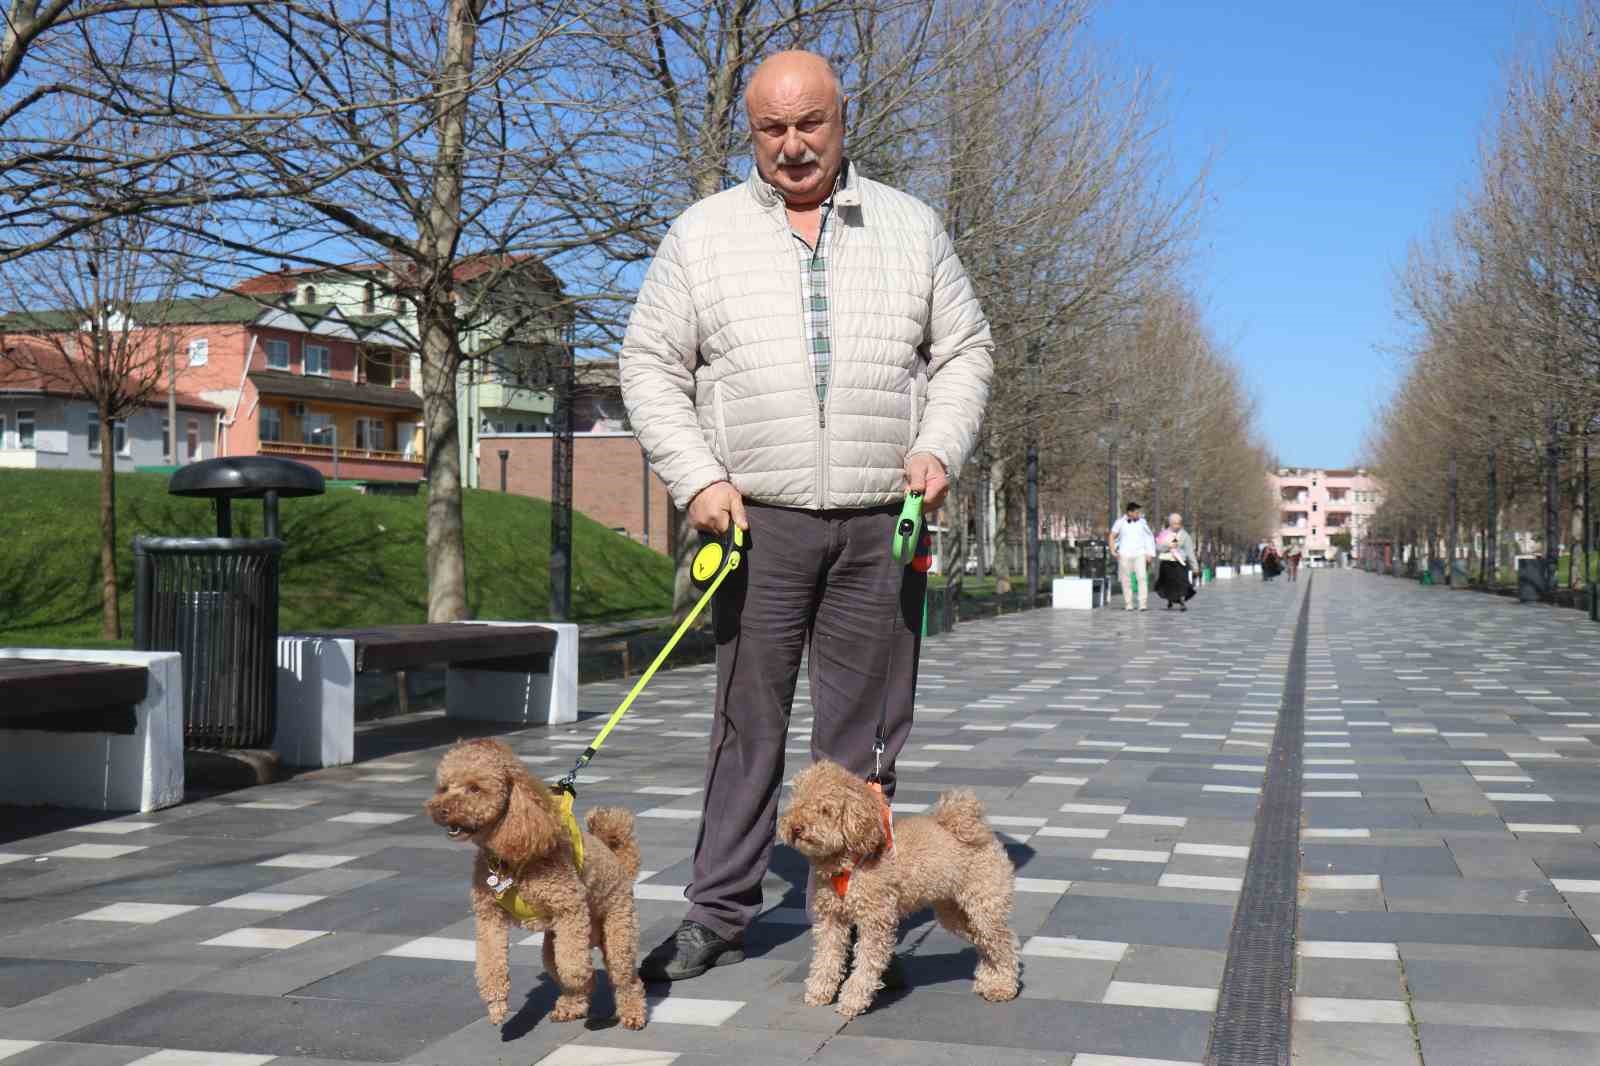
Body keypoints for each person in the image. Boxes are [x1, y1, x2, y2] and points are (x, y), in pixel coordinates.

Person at [619, 49, 994, 982]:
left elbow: (966, 352)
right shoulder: (700, 236)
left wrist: (939, 449)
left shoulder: (913, 227)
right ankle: (719, 912)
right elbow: (647, 367)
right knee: (747, 725)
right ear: (752, 132)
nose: (792, 147)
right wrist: (699, 478)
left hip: (881, 518)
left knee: (862, 735)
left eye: (809, 125)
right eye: (771, 130)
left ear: (842, 119)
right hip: (756, 521)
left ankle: (866, 911)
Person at [1110, 501, 1155, 611]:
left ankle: (1142, 604)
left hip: (1140, 554)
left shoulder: (1142, 522)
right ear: (1129, 512)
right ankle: (1128, 604)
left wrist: (1149, 553)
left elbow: (1148, 537)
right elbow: (1112, 535)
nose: (1138, 514)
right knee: (1126, 580)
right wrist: (1113, 550)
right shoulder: (1119, 522)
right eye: (1136, 512)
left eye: (1139, 512)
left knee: (1142, 578)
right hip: (1124, 554)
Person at [1154, 512, 1198, 611]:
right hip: (1167, 562)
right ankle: (1170, 600)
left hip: (1180, 562)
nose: (1177, 525)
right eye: (1174, 523)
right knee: (1169, 583)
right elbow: (1158, 547)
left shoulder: (1185, 535)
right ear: (1170, 523)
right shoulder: (1164, 534)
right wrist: (1168, 546)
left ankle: (1182, 601)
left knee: (1182, 582)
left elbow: (1189, 551)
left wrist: (1195, 567)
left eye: (1178, 523)